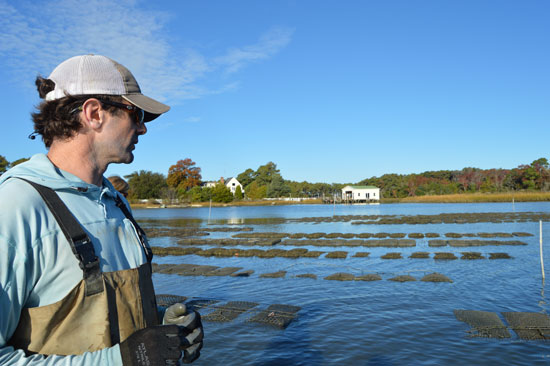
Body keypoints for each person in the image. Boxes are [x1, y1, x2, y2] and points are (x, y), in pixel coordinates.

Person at [0, 54, 203, 365]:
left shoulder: (116, 201)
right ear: (94, 113)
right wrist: (123, 359)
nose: (143, 129)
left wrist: (164, 328)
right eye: (136, 115)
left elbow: (111, 319)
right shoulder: (15, 206)